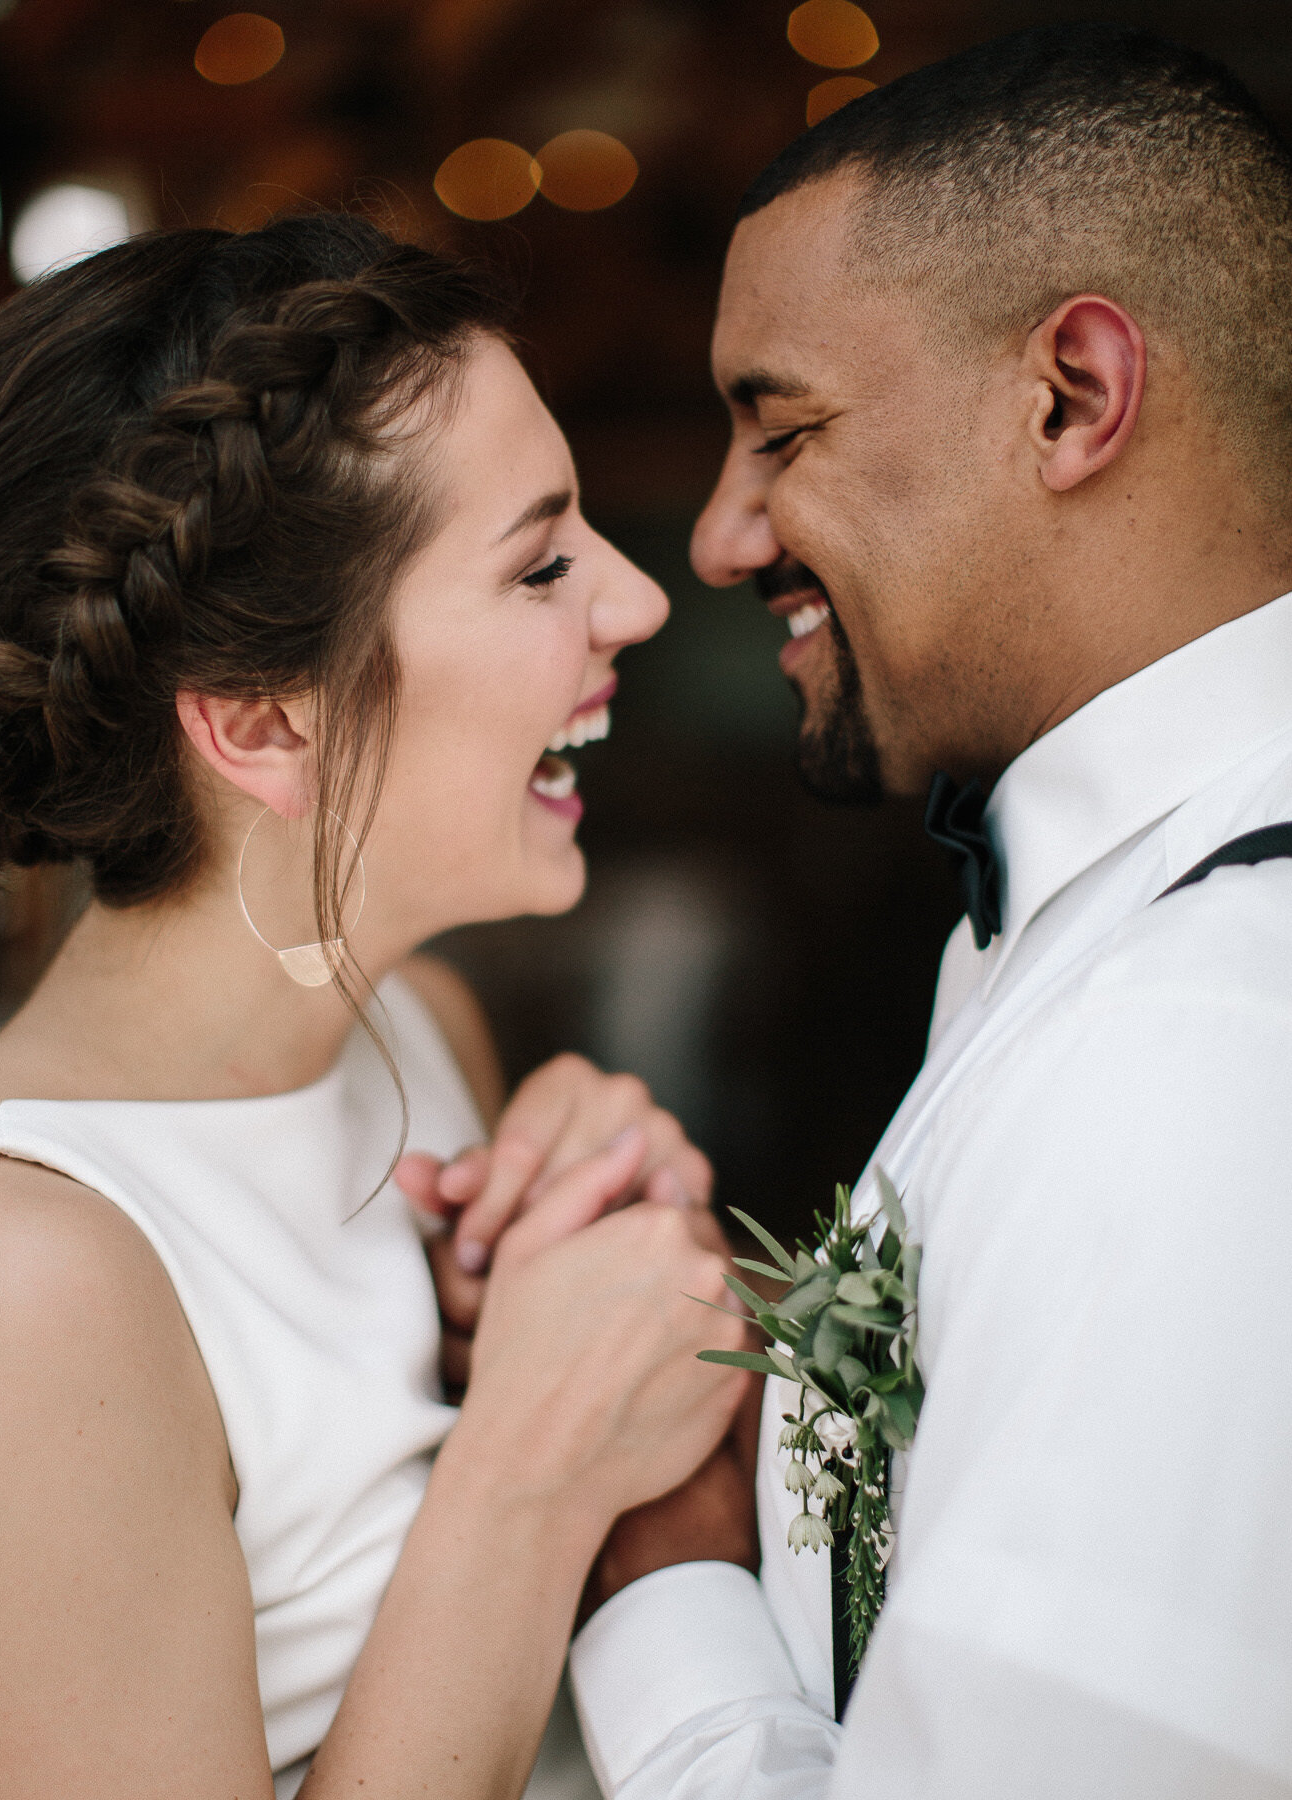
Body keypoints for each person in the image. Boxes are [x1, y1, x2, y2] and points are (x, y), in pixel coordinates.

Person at [459, 24, 1292, 1798]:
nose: (722, 540)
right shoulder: (1092, 921)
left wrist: (666, 1561)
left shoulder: (1207, 1048)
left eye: (783, 430)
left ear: (1072, 395)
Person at [0, 214, 750, 1800]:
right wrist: (534, 1458)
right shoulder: (20, 1278)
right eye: (542, 561)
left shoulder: (424, 1031)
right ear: (260, 724)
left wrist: (586, 1259)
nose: (636, 601)